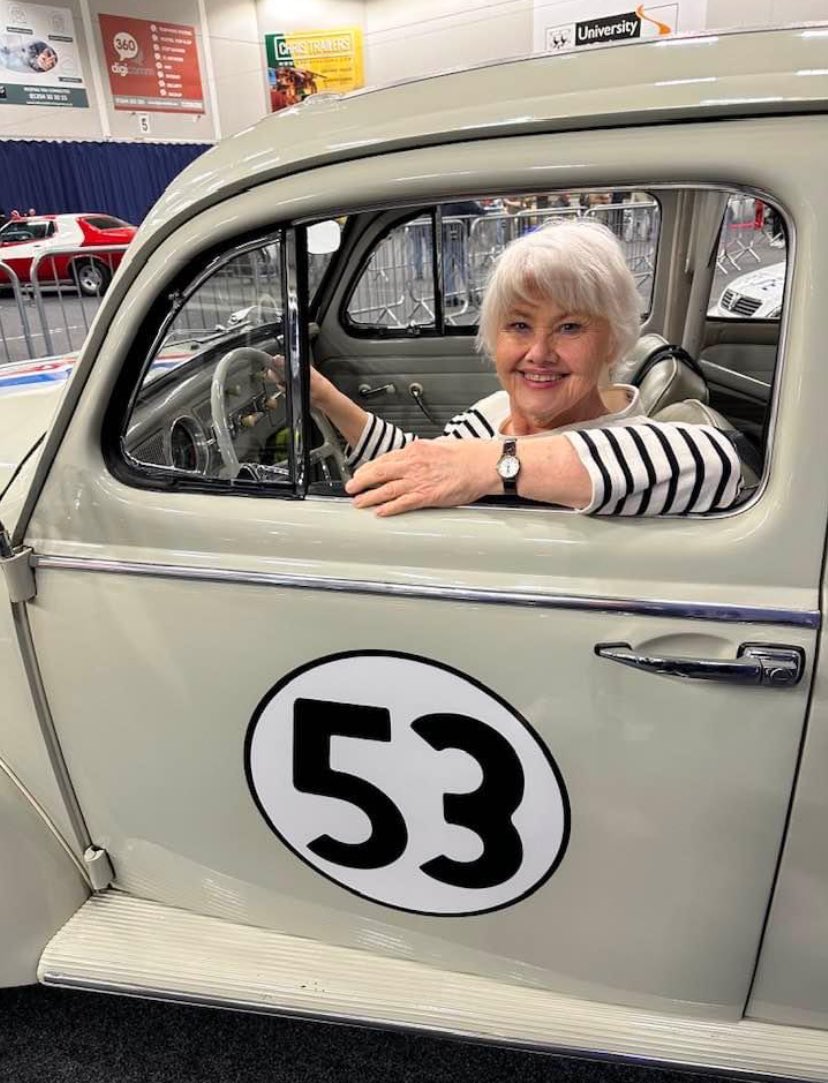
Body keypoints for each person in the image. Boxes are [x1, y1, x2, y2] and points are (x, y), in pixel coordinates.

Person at [276, 219, 743, 517]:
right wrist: (325, 398)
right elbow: (431, 464)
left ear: (613, 341)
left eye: (570, 327)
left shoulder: (632, 441)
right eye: (519, 325)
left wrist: (492, 463)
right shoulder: (498, 407)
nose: (539, 352)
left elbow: (717, 463)